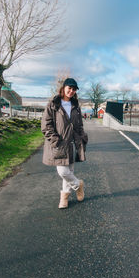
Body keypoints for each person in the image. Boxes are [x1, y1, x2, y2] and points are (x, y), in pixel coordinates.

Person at [41, 78, 88, 209]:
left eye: (74, 89)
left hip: (73, 143)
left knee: (69, 170)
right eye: (69, 88)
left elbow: (79, 124)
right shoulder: (53, 104)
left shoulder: (75, 105)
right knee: (63, 171)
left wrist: (82, 137)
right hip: (59, 144)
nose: (71, 91)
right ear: (63, 88)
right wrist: (55, 140)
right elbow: (46, 125)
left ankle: (64, 199)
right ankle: (78, 185)